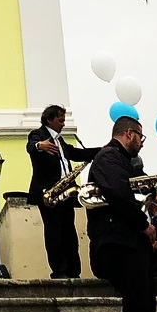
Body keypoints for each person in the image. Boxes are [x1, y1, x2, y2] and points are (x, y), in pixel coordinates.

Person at [86, 115, 157, 312]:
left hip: (128, 244)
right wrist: (143, 224)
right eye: (141, 138)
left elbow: (126, 194)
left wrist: (150, 203)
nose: (141, 144)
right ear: (129, 133)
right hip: (117, 245)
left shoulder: (121, 162)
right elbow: (118, 195)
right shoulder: (108, 156)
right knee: (137, 311)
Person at [26, 104, 100, 279]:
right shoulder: (38, 135)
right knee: (54, 232)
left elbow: (76, 153)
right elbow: (30, 146)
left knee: (69, 232)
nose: (63, 124)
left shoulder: (60, 141)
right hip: (49, 193)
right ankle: (59, 271)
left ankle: (73, 270)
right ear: (49, 120)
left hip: (65, 193)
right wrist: (39, 146)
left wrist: (103, 150)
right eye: (60, 120)